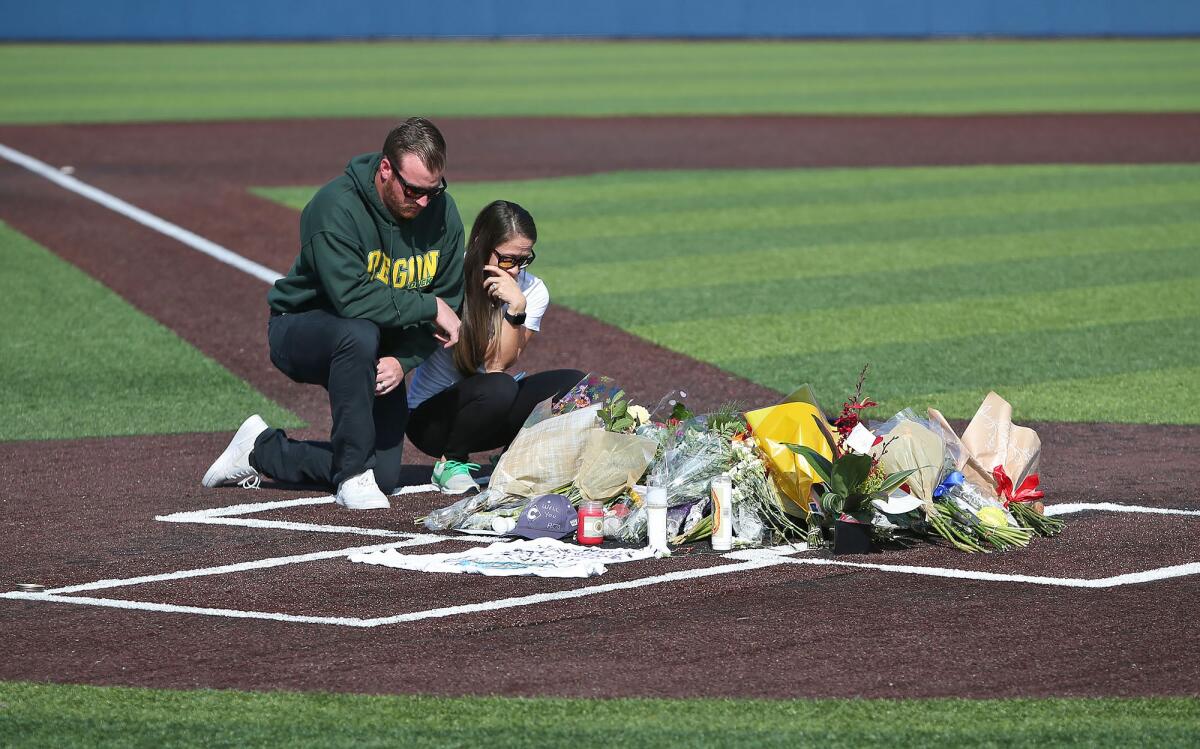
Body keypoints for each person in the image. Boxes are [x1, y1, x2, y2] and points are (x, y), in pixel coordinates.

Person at [202, 117, 464, 509]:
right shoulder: (335, 207)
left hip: (378, 343)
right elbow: (352, 299)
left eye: (433, 190)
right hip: (302, 329)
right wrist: (428, 306)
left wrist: (403, 359)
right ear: (385, 170)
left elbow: (448, 299)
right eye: (413, 190)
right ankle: (352, 474)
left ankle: (261, 450)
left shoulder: (441, 212)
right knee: (356, 332)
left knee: (386, 475)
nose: (424, 201)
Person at [405, 199, 584, 494]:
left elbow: (499, 362)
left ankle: (512, 458)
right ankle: (451, 462)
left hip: (489, 412)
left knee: (572, 383)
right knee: (499, 387)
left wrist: (516, 307)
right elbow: (492, 370)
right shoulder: (450, 275)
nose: (514, 270)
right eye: (507, 259)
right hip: (432, 421)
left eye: (523, 259)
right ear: (480, 243)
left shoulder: (532, 291)